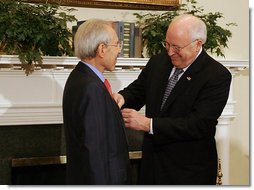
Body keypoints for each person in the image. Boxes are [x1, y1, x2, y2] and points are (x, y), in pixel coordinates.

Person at [112, 14, 232, 185]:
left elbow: (197, 125)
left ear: (198, 44)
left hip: (187, 173)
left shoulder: (216, 76)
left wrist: (148, 124)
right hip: (152, 167)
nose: (169, 52)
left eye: (176, 47)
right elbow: (138, 90)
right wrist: (122, 97)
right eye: (167, 44)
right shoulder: (159, 62)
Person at [62, 19, 130, 185]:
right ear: (102, 49)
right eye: (116, 45)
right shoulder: (90, 88)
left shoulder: (79, 77)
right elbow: (95, 154)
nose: (119, 51)